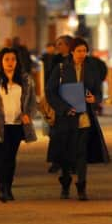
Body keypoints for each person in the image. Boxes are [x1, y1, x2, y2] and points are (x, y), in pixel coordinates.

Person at [46, 37, 109, 200]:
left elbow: (98, 90)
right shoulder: (61, 68)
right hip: (65, 118)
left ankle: (82, 186)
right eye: (79, 51)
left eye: (84, 51)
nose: (82, 54)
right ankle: (65, 184)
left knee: (81, 152)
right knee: (66, 153)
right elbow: (50, 91)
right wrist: (63, 108)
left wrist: (94, 99)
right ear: (72, 51)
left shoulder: (91, 69)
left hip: (84, 116)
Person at [0, 47, 37, 203]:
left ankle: (8, 187)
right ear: (1, 61)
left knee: (11, 158)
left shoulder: (25, 80)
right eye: (7, 59)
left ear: (17, 62)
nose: (10, 63)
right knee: (1, 157)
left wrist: (28, 115)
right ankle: (2, 189)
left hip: (17, 125)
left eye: (13, 59)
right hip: (0, 126)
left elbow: (32, 102)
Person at [46, 34, 73, 174]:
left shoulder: (75, 60)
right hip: (57, 99)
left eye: (60, 44)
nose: (58, 47)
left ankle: (71, 162)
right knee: (55, 132)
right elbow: (49, 79)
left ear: (68, 45)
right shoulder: (55, 60)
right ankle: (56, 161)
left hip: (72, 98)